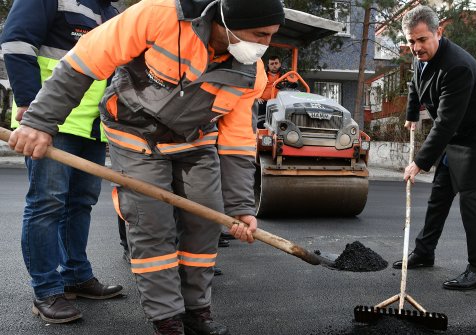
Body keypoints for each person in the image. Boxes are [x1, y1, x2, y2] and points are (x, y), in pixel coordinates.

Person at [7, 0, 284, 333]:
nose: (264, 45)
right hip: (134, 134)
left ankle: (197, 311)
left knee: (206, 218)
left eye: (271, 36)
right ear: (226, 21)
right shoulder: (160, 15)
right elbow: (85, 60)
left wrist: (240, 208)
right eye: (260, 34)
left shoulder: (249, 71)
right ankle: (166, 317)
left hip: (194, 140)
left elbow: (237, 139)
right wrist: (39, 121)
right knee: (151, 224)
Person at [0, 0, 123, 324]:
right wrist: (30, 107)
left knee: (80, 203)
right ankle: (46, 291)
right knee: (47, 204)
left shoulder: (111, 13)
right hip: (52, 124)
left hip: (92, 127)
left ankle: (76, 277)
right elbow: (15, 42)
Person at [390, 5, 476, 291]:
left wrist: (418, 162)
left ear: (438, 32)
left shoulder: (457, 67)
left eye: (421, 40)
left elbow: (446, 123)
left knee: (469, 198)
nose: (416, 47)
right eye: (410, 41)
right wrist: (411, 114)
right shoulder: (422, 57)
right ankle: (424, 251)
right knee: (440, 194)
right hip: (456, 135)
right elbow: (415, 85)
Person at [256, 55, 283, 129]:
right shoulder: (262, 75)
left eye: (276, 63)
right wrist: (257, 97)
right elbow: (255, 87)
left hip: (279, 102)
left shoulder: (286, 76)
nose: (274, 65)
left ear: (279, 64)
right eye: (272, 64)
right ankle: (260, 131)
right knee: (259, 105)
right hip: (264, 101)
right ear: (268, 65)